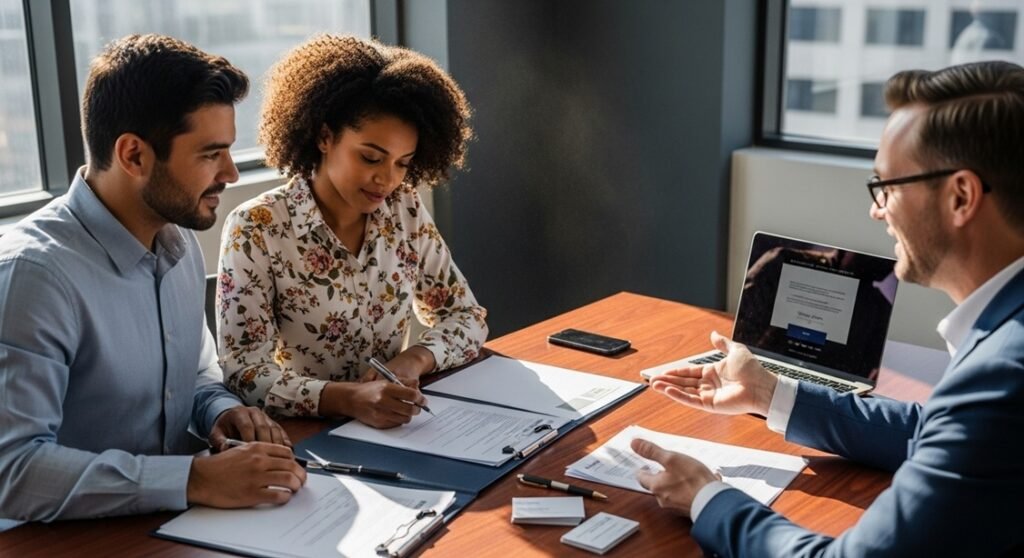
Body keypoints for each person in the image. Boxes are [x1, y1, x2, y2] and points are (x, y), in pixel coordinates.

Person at [635, 60, 1024, 556]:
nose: (876, 209)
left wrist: (709, 499)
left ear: (961, 196)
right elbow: (937, 432)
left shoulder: (1004, 375)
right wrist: (770, 392)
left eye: (887, 186)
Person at [0, 34, 306, 523]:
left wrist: (222, 410)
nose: (229, 172)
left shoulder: (177, 243)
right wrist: (192, 479)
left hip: (171, 524)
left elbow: (194, 374)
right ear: (134, 156)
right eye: (211, 154)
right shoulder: (33, 277)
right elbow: (12, 470)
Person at [217, 35, 488, 428]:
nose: (387, 179)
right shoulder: (257, 228)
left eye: (403, 163)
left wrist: (414, 359)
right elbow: (244, 374)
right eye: (371, 157)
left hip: (397, 425)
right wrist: (351, 399)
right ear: (325, 137)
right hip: (306, 435)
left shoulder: (404, 209)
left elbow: (466, 317)